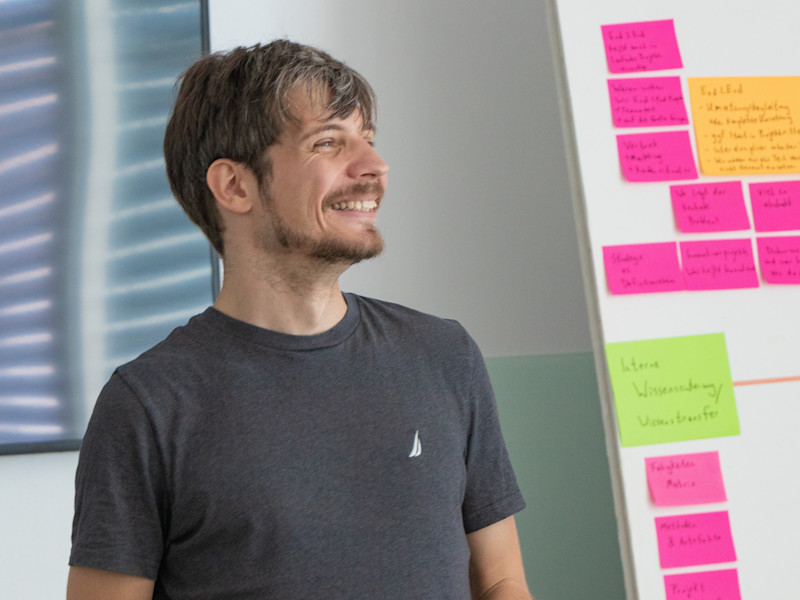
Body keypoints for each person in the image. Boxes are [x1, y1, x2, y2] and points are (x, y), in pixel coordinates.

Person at [67, 40, 531, 600]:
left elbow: (500, 580)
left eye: (368, 139)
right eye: (328, 143)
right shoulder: (149, 405)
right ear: (235, 186)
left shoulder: (443, 355)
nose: (375, 166)